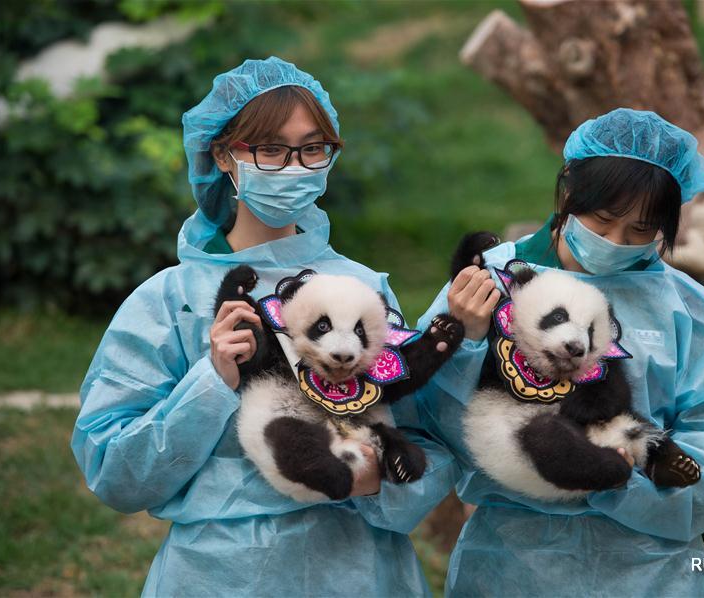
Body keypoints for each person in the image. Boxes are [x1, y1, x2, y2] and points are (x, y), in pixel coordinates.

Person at [71, 57, 457, 597]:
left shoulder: (362, 290)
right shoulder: (172, 300)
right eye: (271, 150)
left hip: (358, 572)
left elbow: (429, 438)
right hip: (218, 575)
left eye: (312, 148)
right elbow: (116, 472)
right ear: (225, 155)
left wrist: (374, 480)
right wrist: (212, 383)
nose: (294, 167)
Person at [415, 108, 704, 597]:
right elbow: (425, 414)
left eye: (641, 231)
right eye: (602, 221)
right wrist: (469, 339)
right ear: (568, 192)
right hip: (512, 564)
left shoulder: (687, 308)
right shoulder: (488, 283)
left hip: (650, 568)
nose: (615, 242)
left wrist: (630, 484)